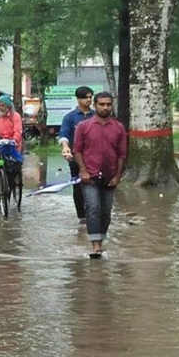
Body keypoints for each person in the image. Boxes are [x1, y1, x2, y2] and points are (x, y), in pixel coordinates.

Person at [71, 91, 127, 259]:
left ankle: (100, 241)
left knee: (106, 212)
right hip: (90, 177)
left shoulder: (118, 128)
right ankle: (95, 246)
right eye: (101, 104)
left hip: (110, 177)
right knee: (93, 208)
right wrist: (83, 170)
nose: (105, 107)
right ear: (95, 105)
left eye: (108, 104)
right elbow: (77, 150)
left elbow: (122, 154)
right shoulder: (84, 126)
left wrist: (117, 176)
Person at [58, 86, 95, 225]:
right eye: (86, 97)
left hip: (94, 157)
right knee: (78, 186)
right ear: (78, 99)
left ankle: (94, 212)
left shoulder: (95, 116)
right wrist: (66, 147)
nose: (89, 100)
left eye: (91, 97)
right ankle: (82, 216)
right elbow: (63, 135)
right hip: (76, 158)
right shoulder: (70, 117)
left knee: (95, 183)